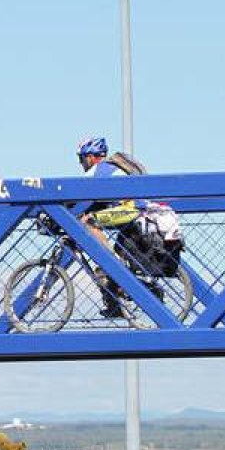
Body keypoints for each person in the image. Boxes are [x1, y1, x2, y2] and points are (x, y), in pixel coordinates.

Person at [75, 136, 156, 318]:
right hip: (135, 211)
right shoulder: (110, 170)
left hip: (131, 210)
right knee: (96, 223)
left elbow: (75, 193)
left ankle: (109, 261)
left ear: (90, 157)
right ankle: (115, 303)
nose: (81, 164)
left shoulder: (99, 170)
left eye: (81, 159)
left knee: (88, 221)